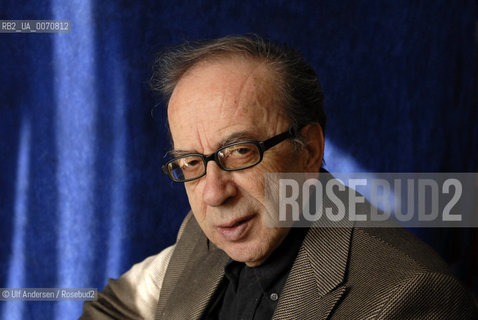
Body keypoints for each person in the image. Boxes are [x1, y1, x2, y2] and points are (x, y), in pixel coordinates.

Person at [81, 35, 477, 319]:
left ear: (310, 150)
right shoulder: (201, 236)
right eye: (190, 162)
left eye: (239, 151)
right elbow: (116, 304)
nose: (214, 194)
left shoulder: (412, 296)